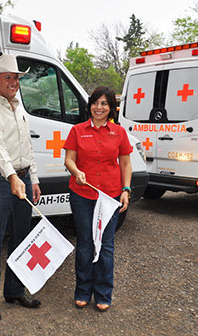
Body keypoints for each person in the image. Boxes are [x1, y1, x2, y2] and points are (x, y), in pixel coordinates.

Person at [0, 54, 42, 323]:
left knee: (21, 238)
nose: (14, 82)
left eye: (16, 78)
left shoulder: (19, 107)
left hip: (21, 177)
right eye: (8, 77)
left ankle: (15, 291)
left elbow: (26, 147)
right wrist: (13, 177)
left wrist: (33, 178)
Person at [63, 86, 132, 312]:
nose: (99, 107)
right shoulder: (77, 130)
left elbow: (125, 164)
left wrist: (126, 189)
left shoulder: (119, 133)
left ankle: (103, 293)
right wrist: (76, 172)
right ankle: (83, 291)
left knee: (106, 246)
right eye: (95, 103)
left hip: (110, 197)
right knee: (85, 244)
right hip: (82, 195)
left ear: (111, 108)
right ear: (89, 105)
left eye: (104, 104)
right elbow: (69, 160)